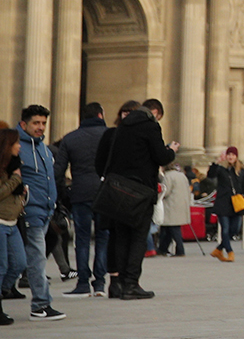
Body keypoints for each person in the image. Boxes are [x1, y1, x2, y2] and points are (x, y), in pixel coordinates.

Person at [95, 100, 175, 299]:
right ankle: (132, 283)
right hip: (140, 190)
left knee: (121, 236)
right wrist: (171, 150)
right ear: (155, 112)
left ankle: (120, 282)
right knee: (139, 238)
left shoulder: (122, 128)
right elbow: (161, 157)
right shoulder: (150, 126)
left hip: (119, 190)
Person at [54, 101, 111, 299]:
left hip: (80, 193)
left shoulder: (70, 138)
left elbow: (58, 171)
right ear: (100, 115)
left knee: (82, 239)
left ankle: (83, 282)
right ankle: (100, 282)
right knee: (103, 238)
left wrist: (63, 194)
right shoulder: (110, 136)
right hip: (105, 193)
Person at [16, 105, 61, 319]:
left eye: (43, 123)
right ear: (24, 124)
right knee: (37, 259)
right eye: (36, 123)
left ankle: (8, 288)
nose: (40, 127)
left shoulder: (44, 148)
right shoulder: (16, 147)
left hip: (46, 210)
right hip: (29, 212)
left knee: (24, 260)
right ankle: (41, 304)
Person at [201, 146, 244, 262]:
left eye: (233, 155)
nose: (231, 157)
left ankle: (218, 249)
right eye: (229, 154)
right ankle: (230, 252)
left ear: (236, 157)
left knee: (234, 230)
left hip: (236, 205)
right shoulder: (221, 170)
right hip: (223, 204)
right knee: (225, 230)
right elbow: (210, 175)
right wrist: (217, 162)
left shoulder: (241, 171)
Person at [0, 127, 25, 323]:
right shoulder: (4, 169)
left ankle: (3, 290)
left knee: (19, 263)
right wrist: (16, 179)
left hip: (13, 222)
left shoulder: (16, 164)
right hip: (0, 222)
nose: (19, 146)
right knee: (1, 266)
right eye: (16, 142)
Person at [155, 161, 191, 258]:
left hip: (171, 205)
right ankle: (162, 248)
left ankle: (180, 249)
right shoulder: (182, 175)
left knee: (174, 229)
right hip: (181, 204)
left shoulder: (168, 176)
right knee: (167, 229)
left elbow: (165, 191)